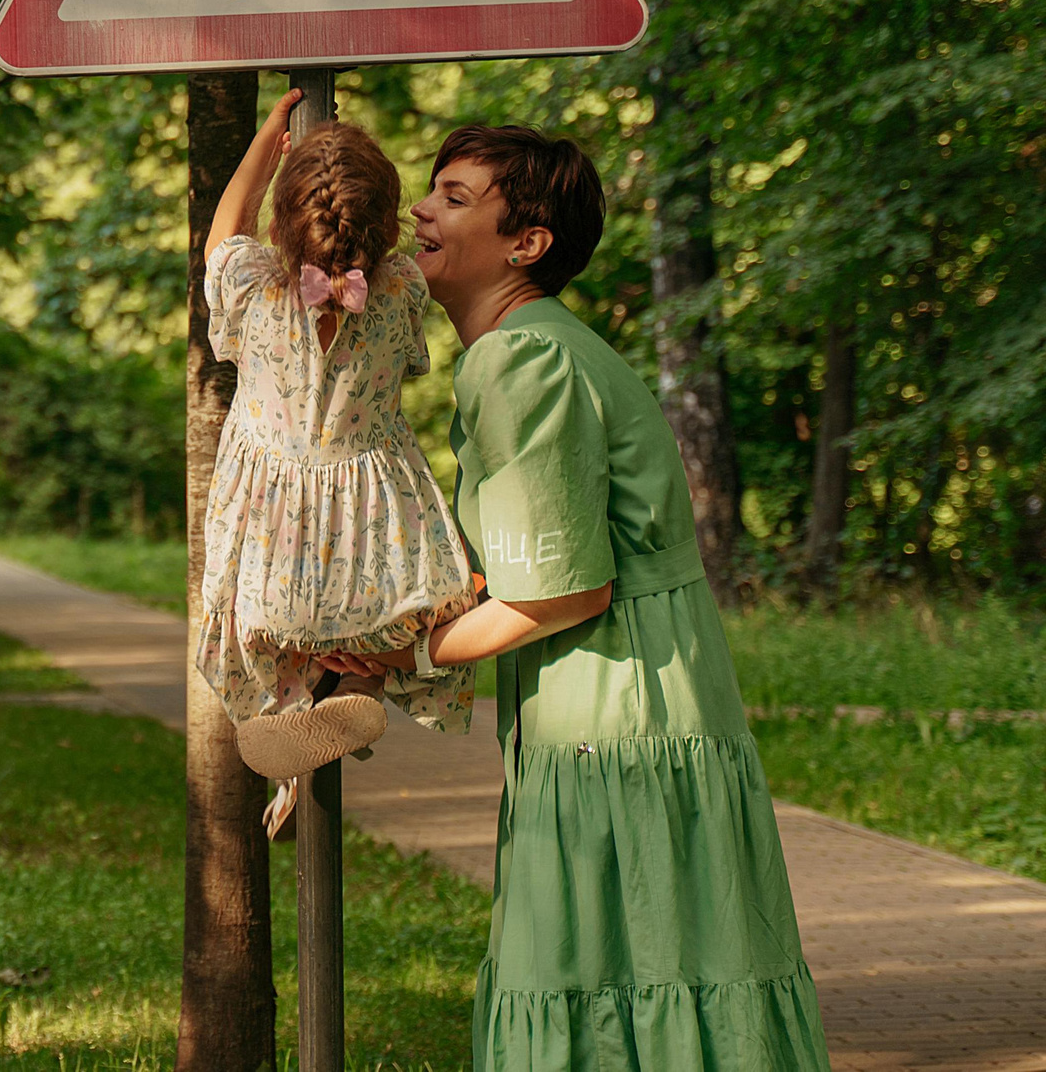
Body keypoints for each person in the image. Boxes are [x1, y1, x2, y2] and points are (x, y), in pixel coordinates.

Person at [315, 124, 830, 1071]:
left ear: (528, 243)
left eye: (456, 197)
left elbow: (562, 593)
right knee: (663, 957)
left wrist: (410, 658)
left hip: (614, 709)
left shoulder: (519, 361)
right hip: (642, 696)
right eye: (432, 191)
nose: (421, 212)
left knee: (596, 964)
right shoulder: (544, 347)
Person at [194, 89, 479, 825]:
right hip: (374, 545)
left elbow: (223, 234)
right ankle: (360, 692)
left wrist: (268, 142)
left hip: (272, 547)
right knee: (377, 636)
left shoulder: (254, 288)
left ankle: (282, 702)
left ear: (288, 223)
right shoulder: (400, 288)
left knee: (267, 630)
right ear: (385, 223)